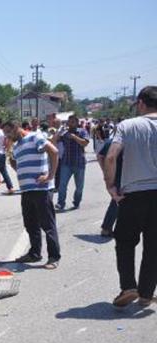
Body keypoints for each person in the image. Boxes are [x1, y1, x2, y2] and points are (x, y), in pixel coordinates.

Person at [103, 86, 157, 308]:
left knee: (125, 242)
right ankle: (146, 293)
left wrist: (111, 186)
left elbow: (111, 157)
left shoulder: (127, 125)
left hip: (133, 194)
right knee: (154, 247)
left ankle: (128, 287)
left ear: (141, 103)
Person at [3, 120, 61, 269]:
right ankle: (35, 253)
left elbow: (53, 151)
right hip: (26, 190)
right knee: (30, 224)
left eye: (9, 132)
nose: (7, 136)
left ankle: (54, 257)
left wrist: (50, 176)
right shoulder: (17, 145)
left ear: (16, 128)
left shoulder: (35, 137)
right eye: (5, 134)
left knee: (47, 225)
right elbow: (15, 162)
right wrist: (16, 165)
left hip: (41, 189)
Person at [53, 115, 90, 210]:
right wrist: (59, 132)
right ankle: (61, 203)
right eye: (69, 121)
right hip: (66, 163)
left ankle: (76, 202)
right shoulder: (64, 133)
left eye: (73, 122)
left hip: (79, 163)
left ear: (77, 123)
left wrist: (74, 137)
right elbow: (54, 141)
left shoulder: (82, 131)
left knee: (79, 187)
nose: (70, 123)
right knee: (62, 185)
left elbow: (85, 143)